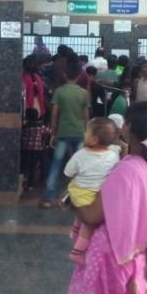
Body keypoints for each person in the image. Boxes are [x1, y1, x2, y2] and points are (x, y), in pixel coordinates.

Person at [61, 103, 147, 294]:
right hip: (132, 257)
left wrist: (74, 197)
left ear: (127, 128)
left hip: (109, 258)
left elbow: (92, 216)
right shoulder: (144, 165)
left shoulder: (124, 171)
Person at [64, 117, 122, 265]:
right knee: (89, 223)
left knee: (84, 215)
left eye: (86, 132)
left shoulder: (80, 154)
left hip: (78, 191)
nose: (84, 134)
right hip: (93, 194)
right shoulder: (113, 156)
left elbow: (68, 172)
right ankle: (77, 250)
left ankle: (76, 240)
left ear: (94, 139)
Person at [42, 62, 90, 209]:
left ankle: (49, 198)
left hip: (62, 133)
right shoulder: (83, 93)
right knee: (81, 166)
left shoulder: (59, 91)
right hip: (79, 133)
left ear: (65, 75)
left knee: (56, 165)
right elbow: (86, 115)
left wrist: (53, 133)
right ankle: (77, 198)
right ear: (79, 75)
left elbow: (55, 114)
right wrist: (86, 132)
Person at [21, 107, 48, 191]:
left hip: (26, 149)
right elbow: (48, 131)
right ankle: (32, 183)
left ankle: (24, 181)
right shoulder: (40, 126)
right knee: (34, 165)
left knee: (26, 166)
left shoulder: (25, 126)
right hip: (37, 149)